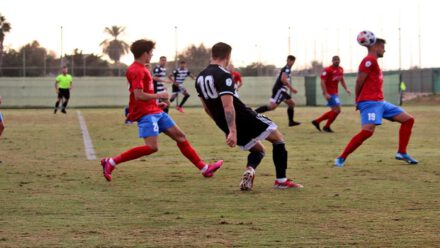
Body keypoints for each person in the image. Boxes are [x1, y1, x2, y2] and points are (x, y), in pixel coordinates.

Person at [100, 39, 223, 181]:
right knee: (152, 147)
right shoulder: (136, 70)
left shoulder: (143, 68)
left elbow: (144, 94)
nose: (152, 55)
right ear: (145, 53)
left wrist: (158, 105)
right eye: (151, 52)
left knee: (180, 137)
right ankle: (111, 162)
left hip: (155, 111)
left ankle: (205, 168)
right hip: (146, 114)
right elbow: (138, 95)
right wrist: (160, 95)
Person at [195, 42, 303, 190]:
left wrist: (226, 128)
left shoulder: (200, 77)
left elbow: (207, 109)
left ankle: (249, 171)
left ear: (212, 55)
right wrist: (232, 131)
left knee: (258, 150)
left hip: (223, 122)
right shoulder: (224, 74)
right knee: (278, 139)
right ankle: (281, 181)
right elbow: (228, 105)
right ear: (228, 56)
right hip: (242, 115)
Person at [334, 37, 418, 167]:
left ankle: (401, 152)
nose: (384, 50)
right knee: (367, 131)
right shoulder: (368, 61)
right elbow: (359, 81)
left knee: (408, 120)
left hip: (380, 102)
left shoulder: (374, 62)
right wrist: (358, 99)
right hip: (369, 103)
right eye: (382, 47)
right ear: (375, 46)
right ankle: (341, 158)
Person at [255, 55, 301, 127]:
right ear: (288, 61)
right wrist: (292, 88)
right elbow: (283, 79)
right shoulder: (286, 69)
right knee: (272, 107)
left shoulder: (287, 69)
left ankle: (291, 122)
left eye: (292, 61)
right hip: (280, 90)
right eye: (290, 61)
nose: (291, 63)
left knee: (291, 103)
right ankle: (253, 114)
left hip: (282, 90)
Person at [312, 56, 351, 132]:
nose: (337, 61)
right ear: (332, 61)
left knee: (336, 110)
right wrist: (325, 93)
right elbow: (322, 82)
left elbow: (341, 79)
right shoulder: (328, 70)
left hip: (335, 93)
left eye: (338, 60)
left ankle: (317, 122)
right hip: (329, 93)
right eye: (335, 60)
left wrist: (346, 88)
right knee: (337, 110)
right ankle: (326, 126)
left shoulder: (340, 69)